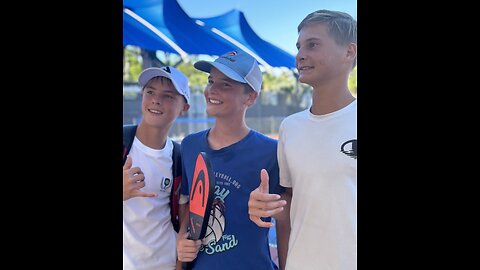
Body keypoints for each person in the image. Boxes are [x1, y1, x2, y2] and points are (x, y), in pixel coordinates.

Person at [248, 10, 357, 270]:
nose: (300, 54)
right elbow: (290, 205)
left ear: (349, 52)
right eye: (299, 47)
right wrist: (267, 206)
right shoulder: (290, 127)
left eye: (313, 44)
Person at [176, 51, 289, 270]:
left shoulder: (272, 152)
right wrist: (182, 238)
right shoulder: (190, 145)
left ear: (250, 97)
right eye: (211, 81)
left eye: (226, 84)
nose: (212, 90)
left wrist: (270, 208)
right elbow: (191, 205)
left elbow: (288, 218)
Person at [123, 66, 191, 270]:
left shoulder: (180, 157)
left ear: (184, 108)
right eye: (150, 92)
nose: (156, 99)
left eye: (168, 95)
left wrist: (179, 265)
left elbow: (184, 220)